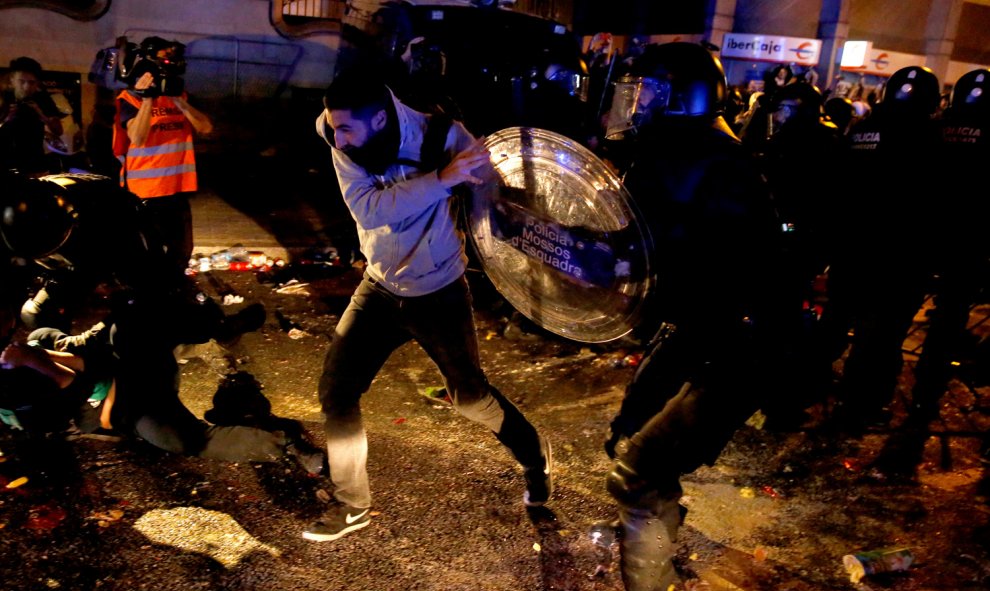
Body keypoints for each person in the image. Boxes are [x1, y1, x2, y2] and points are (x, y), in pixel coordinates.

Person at [303, 69, 552, 542]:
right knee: (337, 393)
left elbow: (494, 198)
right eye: (333, 127)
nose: (337, 137)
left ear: (379, 118)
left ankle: (534, 455)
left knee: (471, 398)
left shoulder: (442, 136)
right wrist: (441, 180)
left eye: (346, 128)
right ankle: (351, 504)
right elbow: (370, 210)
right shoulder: (338, 134)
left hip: (438, 291)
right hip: (378, 288)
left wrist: (500, 197)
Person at [597, 43, 803, 590]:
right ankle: (660, 525)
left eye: (652, 94)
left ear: (684, 97)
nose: (638, 105)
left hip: (741, 345)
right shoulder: (670, 157)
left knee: (635, 472)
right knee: (627, 437)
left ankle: (651, 575)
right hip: (699, 328)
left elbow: (740, 279)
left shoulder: (718, 163)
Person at [819, 66, 944, 435]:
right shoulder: (929, 138)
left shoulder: (861, 132)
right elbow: (936, 202)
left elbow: (836, 187)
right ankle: (856, 409)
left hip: (851, 250)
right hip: (898, 259)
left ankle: (797, 393)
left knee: (835, 325)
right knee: (879, 336)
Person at [114, 36, 213, 275]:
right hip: (146, 193)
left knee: (182, 253)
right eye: (163, 60)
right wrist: (147, 99)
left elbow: (206, 128)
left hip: (176, 191)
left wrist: (179, 101)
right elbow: (136, 137)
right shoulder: (130, 98)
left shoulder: (181, 96)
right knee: (152, 256)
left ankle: (174, 297)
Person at [0, 56, 64, 176]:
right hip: (5, 164)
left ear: (37, 83)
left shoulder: (43, 99)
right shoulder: (3, 99)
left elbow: (58, 131)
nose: (26, 87)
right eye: (21, 81)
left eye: (31, 82)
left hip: (35, 165)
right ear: (12, 80)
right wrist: (7, 119)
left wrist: (41, 115)